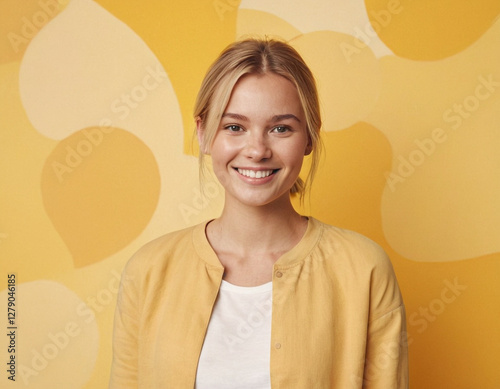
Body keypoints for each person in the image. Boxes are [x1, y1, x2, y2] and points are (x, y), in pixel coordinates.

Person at [109, 38, 408, 388]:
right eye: (234, 127)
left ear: (309, 137)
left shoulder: (364, 269)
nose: (257, 150)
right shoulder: (148, 271)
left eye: (281, 128)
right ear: (204, 134)